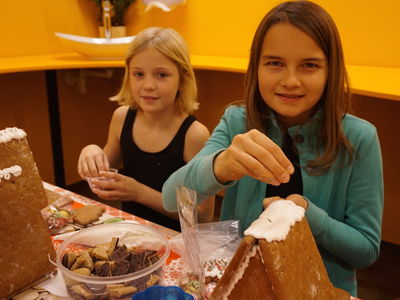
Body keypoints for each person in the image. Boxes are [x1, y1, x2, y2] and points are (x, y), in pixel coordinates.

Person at [162, 1, 383, 296]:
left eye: (310, 65)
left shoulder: (360, 138)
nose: (290, 81)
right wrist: (221, 165)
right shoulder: (236, 121)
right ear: (256, 67)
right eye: (275, 63)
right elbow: (170, 197)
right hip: (240, 285)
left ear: (331, 70)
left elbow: (366, 250)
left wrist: (305, 215)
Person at [78, 27, 215, 231]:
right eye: (139, 74)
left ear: (182, 79)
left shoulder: (194, 135)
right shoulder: (122, 118)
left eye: (161, 75)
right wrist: (90, 151)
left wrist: (139, 193)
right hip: (132, 233)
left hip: (176, 241)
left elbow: (203, 216)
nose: (148, 85)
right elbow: (101, 173)